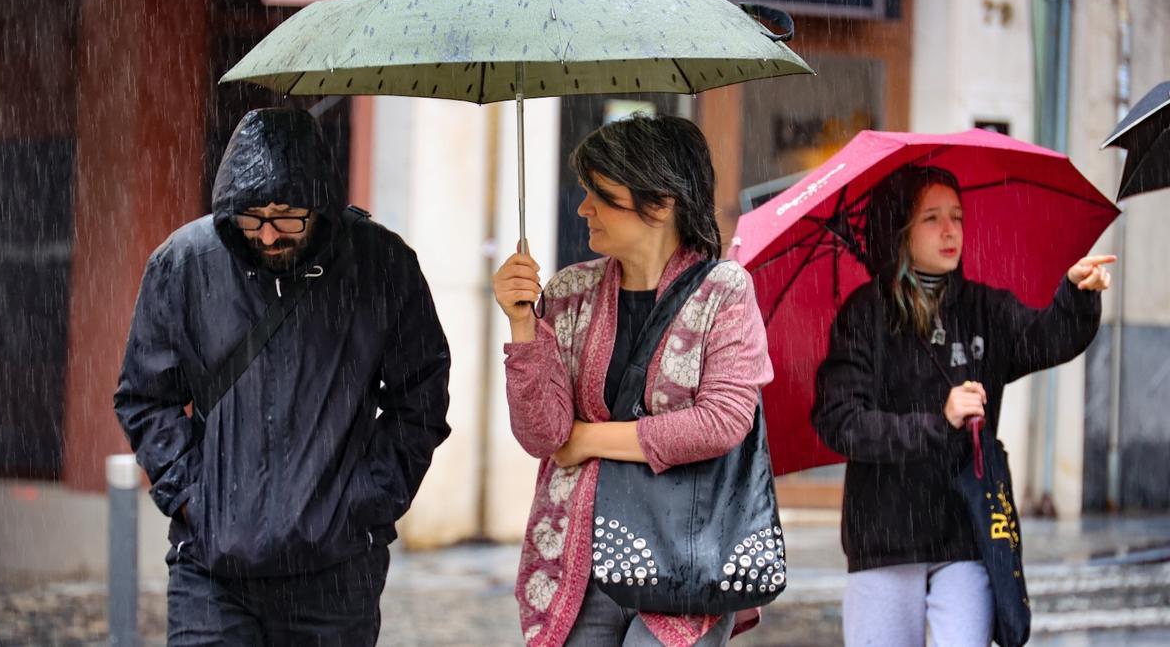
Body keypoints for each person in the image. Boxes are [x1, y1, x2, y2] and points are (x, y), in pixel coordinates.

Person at [114, 107, 451, 645]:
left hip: (336, 572)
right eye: (252, 217)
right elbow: (144, 397)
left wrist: (367, 502)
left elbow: (422, 398)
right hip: (212, 572)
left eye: (287, 216)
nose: (268, 234)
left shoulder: (380, 264)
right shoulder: (183, 265)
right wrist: (190, 499)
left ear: (319, 203)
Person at [492, 114, 774, 647]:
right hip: (579, 566)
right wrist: (523, 324)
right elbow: (542, 436)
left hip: (686, 554)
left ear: (661, 202)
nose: (583, 208)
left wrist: (589, 439)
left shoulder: (723, 292)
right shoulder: (570, 290)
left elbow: (722, 421)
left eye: (599, 192)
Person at [811, 165, 1114, 646]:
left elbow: (1045, 338)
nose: (951, 230)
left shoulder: (981, 309)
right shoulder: (865, 315)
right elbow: (840, 421)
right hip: (886, 537)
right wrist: (938, 421)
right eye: (931, 218)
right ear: (899, 230)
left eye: (957, 216)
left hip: (966, 530)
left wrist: (1076, 295)